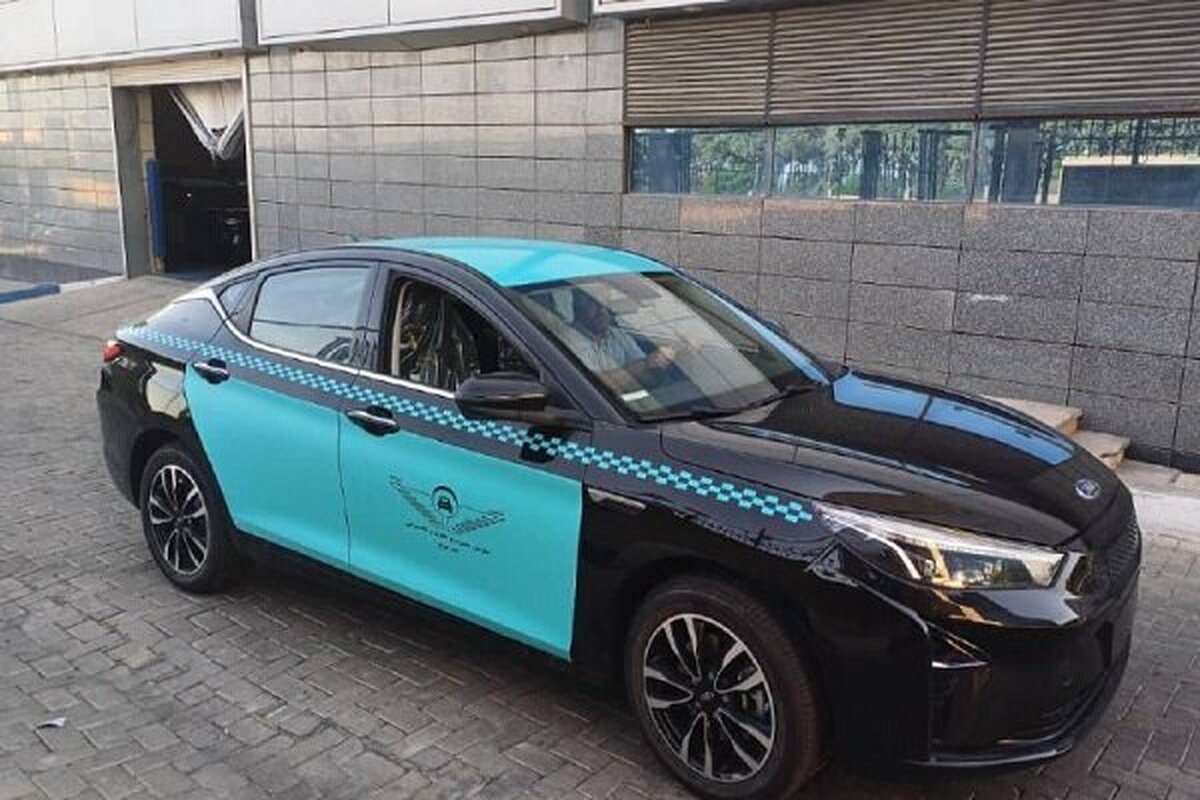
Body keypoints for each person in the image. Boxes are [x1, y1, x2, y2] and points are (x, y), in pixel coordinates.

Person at [571, 290, 676, 379]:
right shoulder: (570, 341)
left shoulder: (616, 333)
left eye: (604, 302)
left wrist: (658, 362)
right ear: (577, 308)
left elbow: (641, 367)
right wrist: (647, 363)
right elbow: (595, 382)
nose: (602, 309)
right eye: (593, 302)